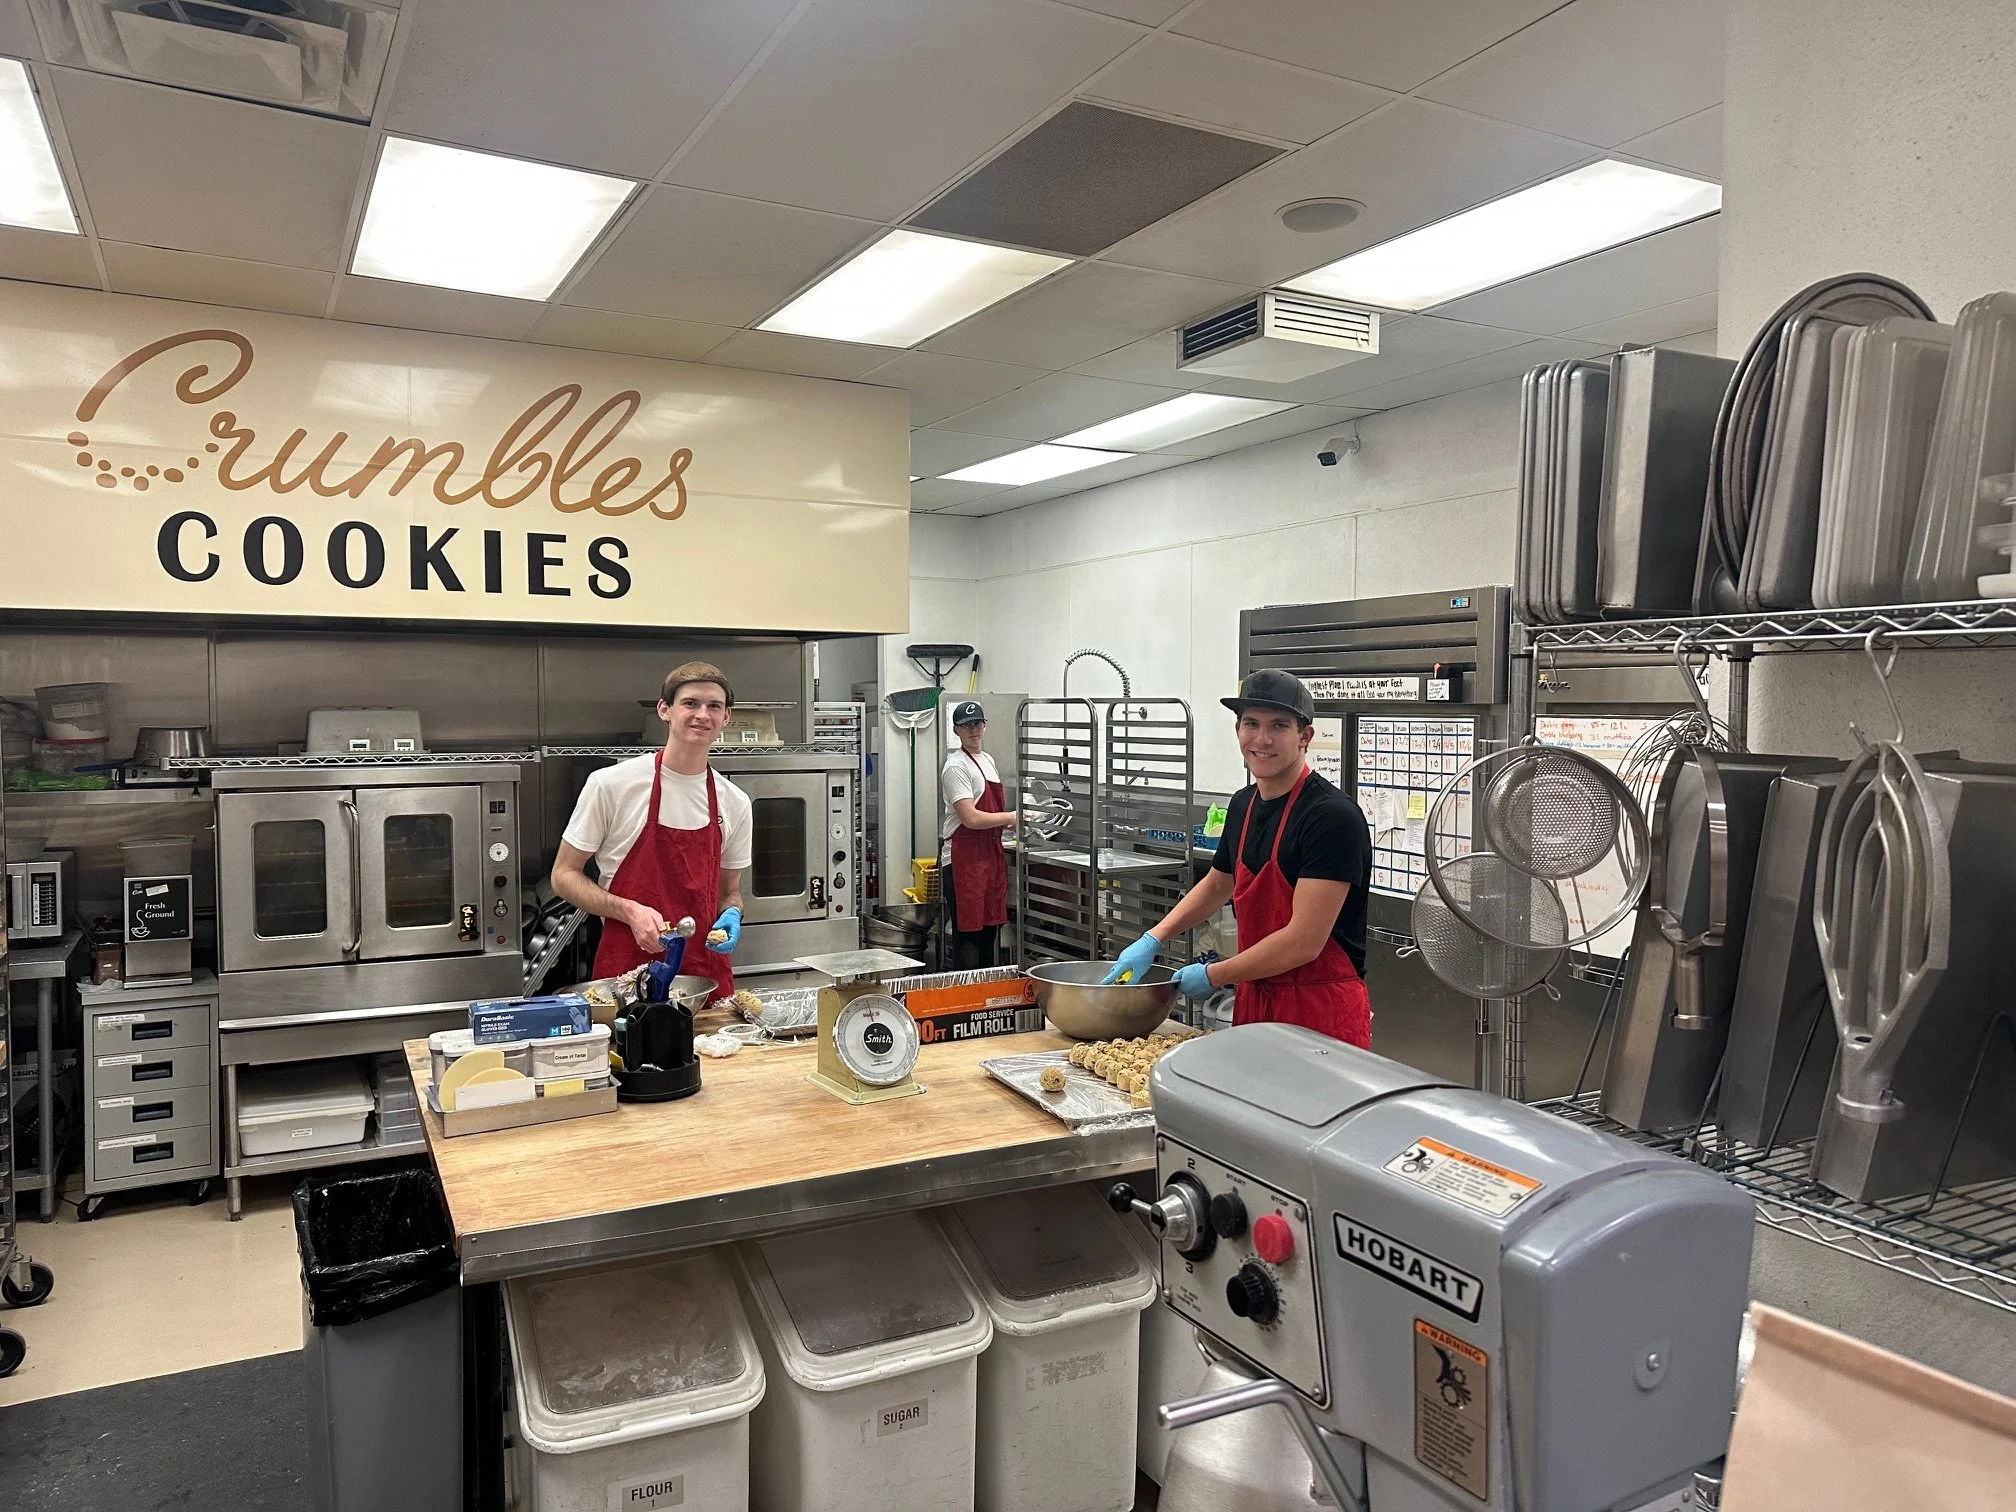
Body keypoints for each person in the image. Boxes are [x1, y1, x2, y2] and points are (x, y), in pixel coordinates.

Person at [1101, 670, 1372, 1047]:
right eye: (1251, 724)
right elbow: (1216, 884)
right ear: (1237, 730)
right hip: (1255, 1000)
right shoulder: (1243, 805)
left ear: (1305, 736)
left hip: (1319, 1010)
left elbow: (1303, 941)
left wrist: (1214, 974)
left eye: (1279, 725)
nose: (1262, 739)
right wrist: (1154, 936)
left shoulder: (1330, 817)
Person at [551, 661, 751, 1001]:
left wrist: (733, 912)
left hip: (704, 980)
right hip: (628, 976)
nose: (702, 714)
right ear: (665, 710)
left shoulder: (734, 802)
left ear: (726, 718)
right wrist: (629, 910)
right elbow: (563, 875)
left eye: (714, 706)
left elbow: (729, 891)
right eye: (690, 703)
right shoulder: (612, 785)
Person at [939, 699, 1014, 970]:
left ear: (985, 726)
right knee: (968, 935)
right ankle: (966, 1004)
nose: (973, 730)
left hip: (989, 856)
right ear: (956, 730)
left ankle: (987, 999)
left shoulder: (988, 760)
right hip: (964, 859)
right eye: (966, 725)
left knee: (990, 929)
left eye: (977, 724)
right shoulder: (956, 766)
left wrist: (1008, 824)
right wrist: (1011, 818)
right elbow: (970, 818)